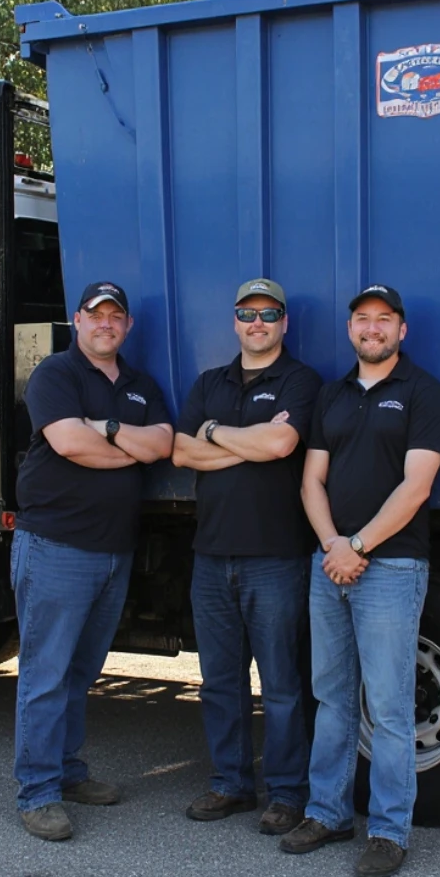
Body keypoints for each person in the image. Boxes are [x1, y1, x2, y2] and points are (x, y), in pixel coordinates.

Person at [280, 284, 440, 877]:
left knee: (388, 706)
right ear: (350, 330)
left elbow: (417, 487)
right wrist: (332, 545)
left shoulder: (423, 393)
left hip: (391, 567)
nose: (372, 329)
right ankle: (327, 812)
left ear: (401, 331)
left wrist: (357, 546)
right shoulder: (332, 393)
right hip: (330, 564)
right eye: (362, 320)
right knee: (330, 697)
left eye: (384, 320)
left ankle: (387, 831)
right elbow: (311, 481)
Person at [12, 281, 173, 842]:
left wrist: (104, 428)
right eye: (96, 314)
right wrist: (124, 449)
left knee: (81, 673)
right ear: (77, 320)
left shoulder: (139, 384)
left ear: (126, 326)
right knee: (45, 674)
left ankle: (68, 771)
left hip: (113, 553)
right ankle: (37, 792)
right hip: (56, 546)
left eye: (115, 316)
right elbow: (68, 443)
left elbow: (160, 445)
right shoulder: (56, 375)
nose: (106, 323)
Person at [172, 279, 323, 835]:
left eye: (268, 313)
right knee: (219, 681)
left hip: (276, 557)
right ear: (234, 322)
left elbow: (281, 447)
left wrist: (216, 434)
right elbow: (182, 449)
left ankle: (286, 793)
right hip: (210, 556)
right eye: (247, 313)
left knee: (282, 684)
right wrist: (244, 439)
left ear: (284, 322)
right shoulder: (210, 382)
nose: (257, 322)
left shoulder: (301, 381)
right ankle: (230, 784)